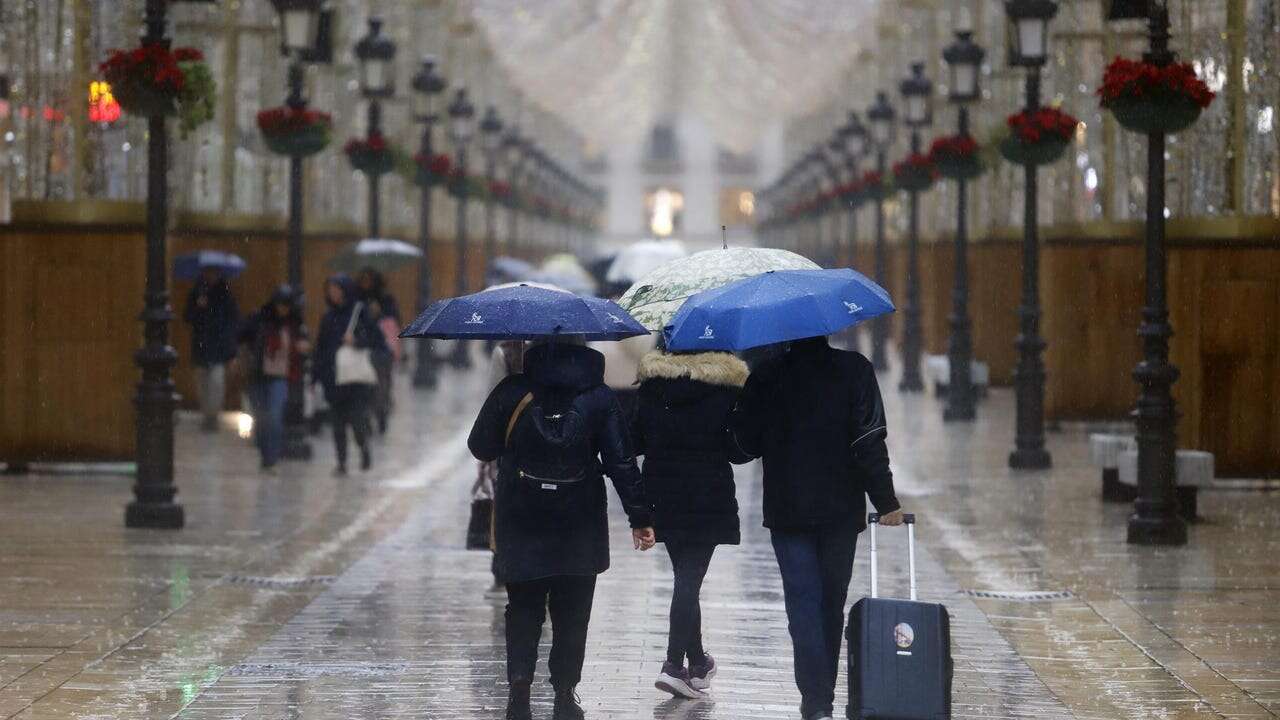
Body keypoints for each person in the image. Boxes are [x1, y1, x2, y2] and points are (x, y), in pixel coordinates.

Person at [468, 340, 655, 720]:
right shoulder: (599, 397)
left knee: (523, 608)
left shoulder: (513, 390)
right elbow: (621, 461)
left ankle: (519, 691)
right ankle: (565, 696)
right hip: (579, 521)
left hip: (521, 516)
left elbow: (480, 446)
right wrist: (640, 518)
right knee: (573, 613)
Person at [731, 335, 903, 720]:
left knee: (802, 604)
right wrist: (886, 501)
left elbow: (741, 446)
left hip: (788, 509)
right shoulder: (855, 370)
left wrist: (739, 403)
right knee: (830, 604)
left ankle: (816, 701)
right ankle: (819, 697)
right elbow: (869, 440)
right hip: (840, 511)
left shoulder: (768, 374)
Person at [631, 347, 752, 699]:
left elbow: (635, 439)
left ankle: (697, 662)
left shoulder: (653, 388)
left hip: (662, 493)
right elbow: (737, 451)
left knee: (686, 578)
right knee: (688, 581)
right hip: (707, 495)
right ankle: (672, 665)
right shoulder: (725, 390)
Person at [314, 274, 388, 476]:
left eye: (337, 289)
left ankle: (363, 448)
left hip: (355, 381)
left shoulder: (359, 312)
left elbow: (377, 341)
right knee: (337, 424)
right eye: (331, 290)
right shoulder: (328, 317)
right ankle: (342, 462)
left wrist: (356, 341)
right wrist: (316, 376)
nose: (334, 294)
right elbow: (321, 348)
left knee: (357, 421)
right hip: (334, 379)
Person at [236, 285, 308, 473]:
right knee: (260, 419)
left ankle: (271, 458)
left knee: (274, 416)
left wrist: (302, 349)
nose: (282, 309)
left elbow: (304, 348)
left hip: (281, 377)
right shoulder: (259, 319)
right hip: (258, 375)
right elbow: (240, 336)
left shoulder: (295, 325)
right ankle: (264, 451)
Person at [183, 267, 239, 431]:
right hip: (201, 345)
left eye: (214, 273)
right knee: (202, 384)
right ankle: (207, 414)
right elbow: (187, 317)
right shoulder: (197, 292)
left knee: (216, 383)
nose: (211, 276)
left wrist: (231, 350)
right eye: (208, 273)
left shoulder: (226, 295)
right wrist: (198, 307)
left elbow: (232, 320)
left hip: (218, 346)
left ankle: (212, 416)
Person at [356, 267, 401, 434]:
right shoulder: (357, 301)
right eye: (363, 280)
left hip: (383, 350)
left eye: (368, 280)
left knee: (382, 385)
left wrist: (379, 313)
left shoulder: (385, 299)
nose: (365, 284)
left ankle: (381, 413)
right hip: (364, 349)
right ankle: (367, 416)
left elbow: (394, 321)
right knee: (366, 385)